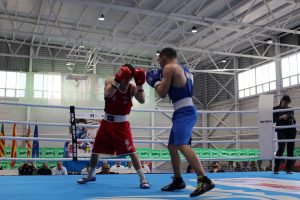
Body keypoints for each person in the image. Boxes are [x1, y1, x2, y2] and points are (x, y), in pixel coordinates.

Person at [146, 48, 214, 197]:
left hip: (185, 112)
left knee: (182, 145)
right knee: (172, 146)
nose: (159, 64)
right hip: (183, 110)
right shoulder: (185, 70)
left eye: (159, 60)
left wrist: (156, 81)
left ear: (164, 58)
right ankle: (178, 180)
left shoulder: (169, 67)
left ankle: (204, 180)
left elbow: (162, 93)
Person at [77, 64, 150, 189]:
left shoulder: (131, 88)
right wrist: (117, 80)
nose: (127, 81)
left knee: (131, 151)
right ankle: (91, 174)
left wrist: (140, 85)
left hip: (122, 125)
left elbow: (142, 100)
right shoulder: (110, 82)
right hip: (106, 123)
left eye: (129, 78)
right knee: (95, 150)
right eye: (125, 77)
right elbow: (107, 95)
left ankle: (143, 179)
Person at [273, 95, 297, 174]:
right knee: (281, 148)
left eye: (288, 103)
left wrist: (292, 118)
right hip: (281, 130)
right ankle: (276, 168)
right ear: (282, 100)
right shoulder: (275, 109)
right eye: (285, 102)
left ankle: (288, 169)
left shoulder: (290, 109)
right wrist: (281, 117)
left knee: (291, 150)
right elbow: (272, 120)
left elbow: (294, 121)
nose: (286, 104)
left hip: (291, 130)